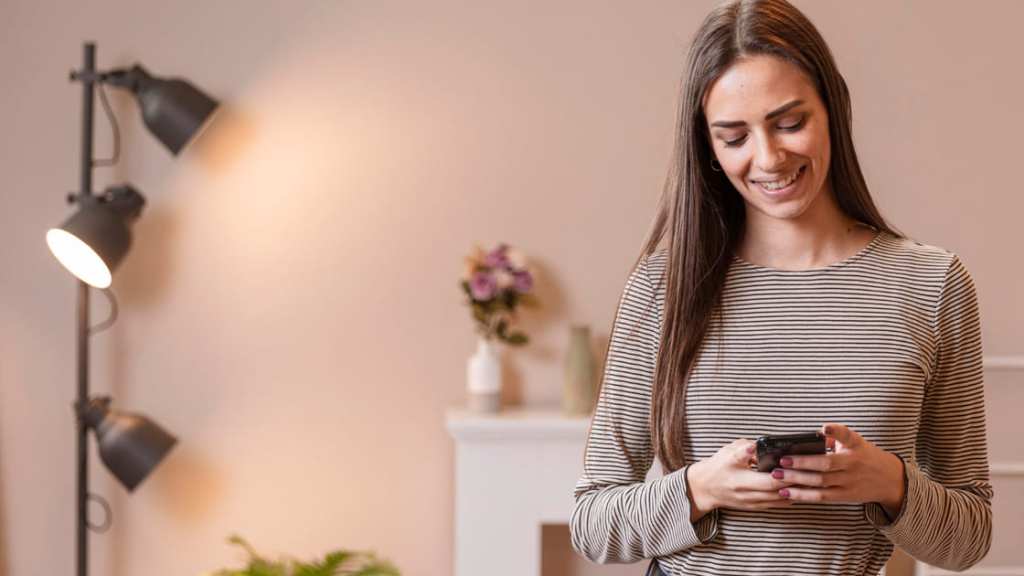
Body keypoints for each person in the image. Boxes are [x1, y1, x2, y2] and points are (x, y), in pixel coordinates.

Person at [569, 1, 993, 575]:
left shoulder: (930, 283)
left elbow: (968, 540)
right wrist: (700, 489)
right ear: (709, 148)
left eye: (790, 123)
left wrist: (890, 482)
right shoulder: (661, 287)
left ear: (832, 108)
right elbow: (593, 523)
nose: (768, 157)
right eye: (734, 136)